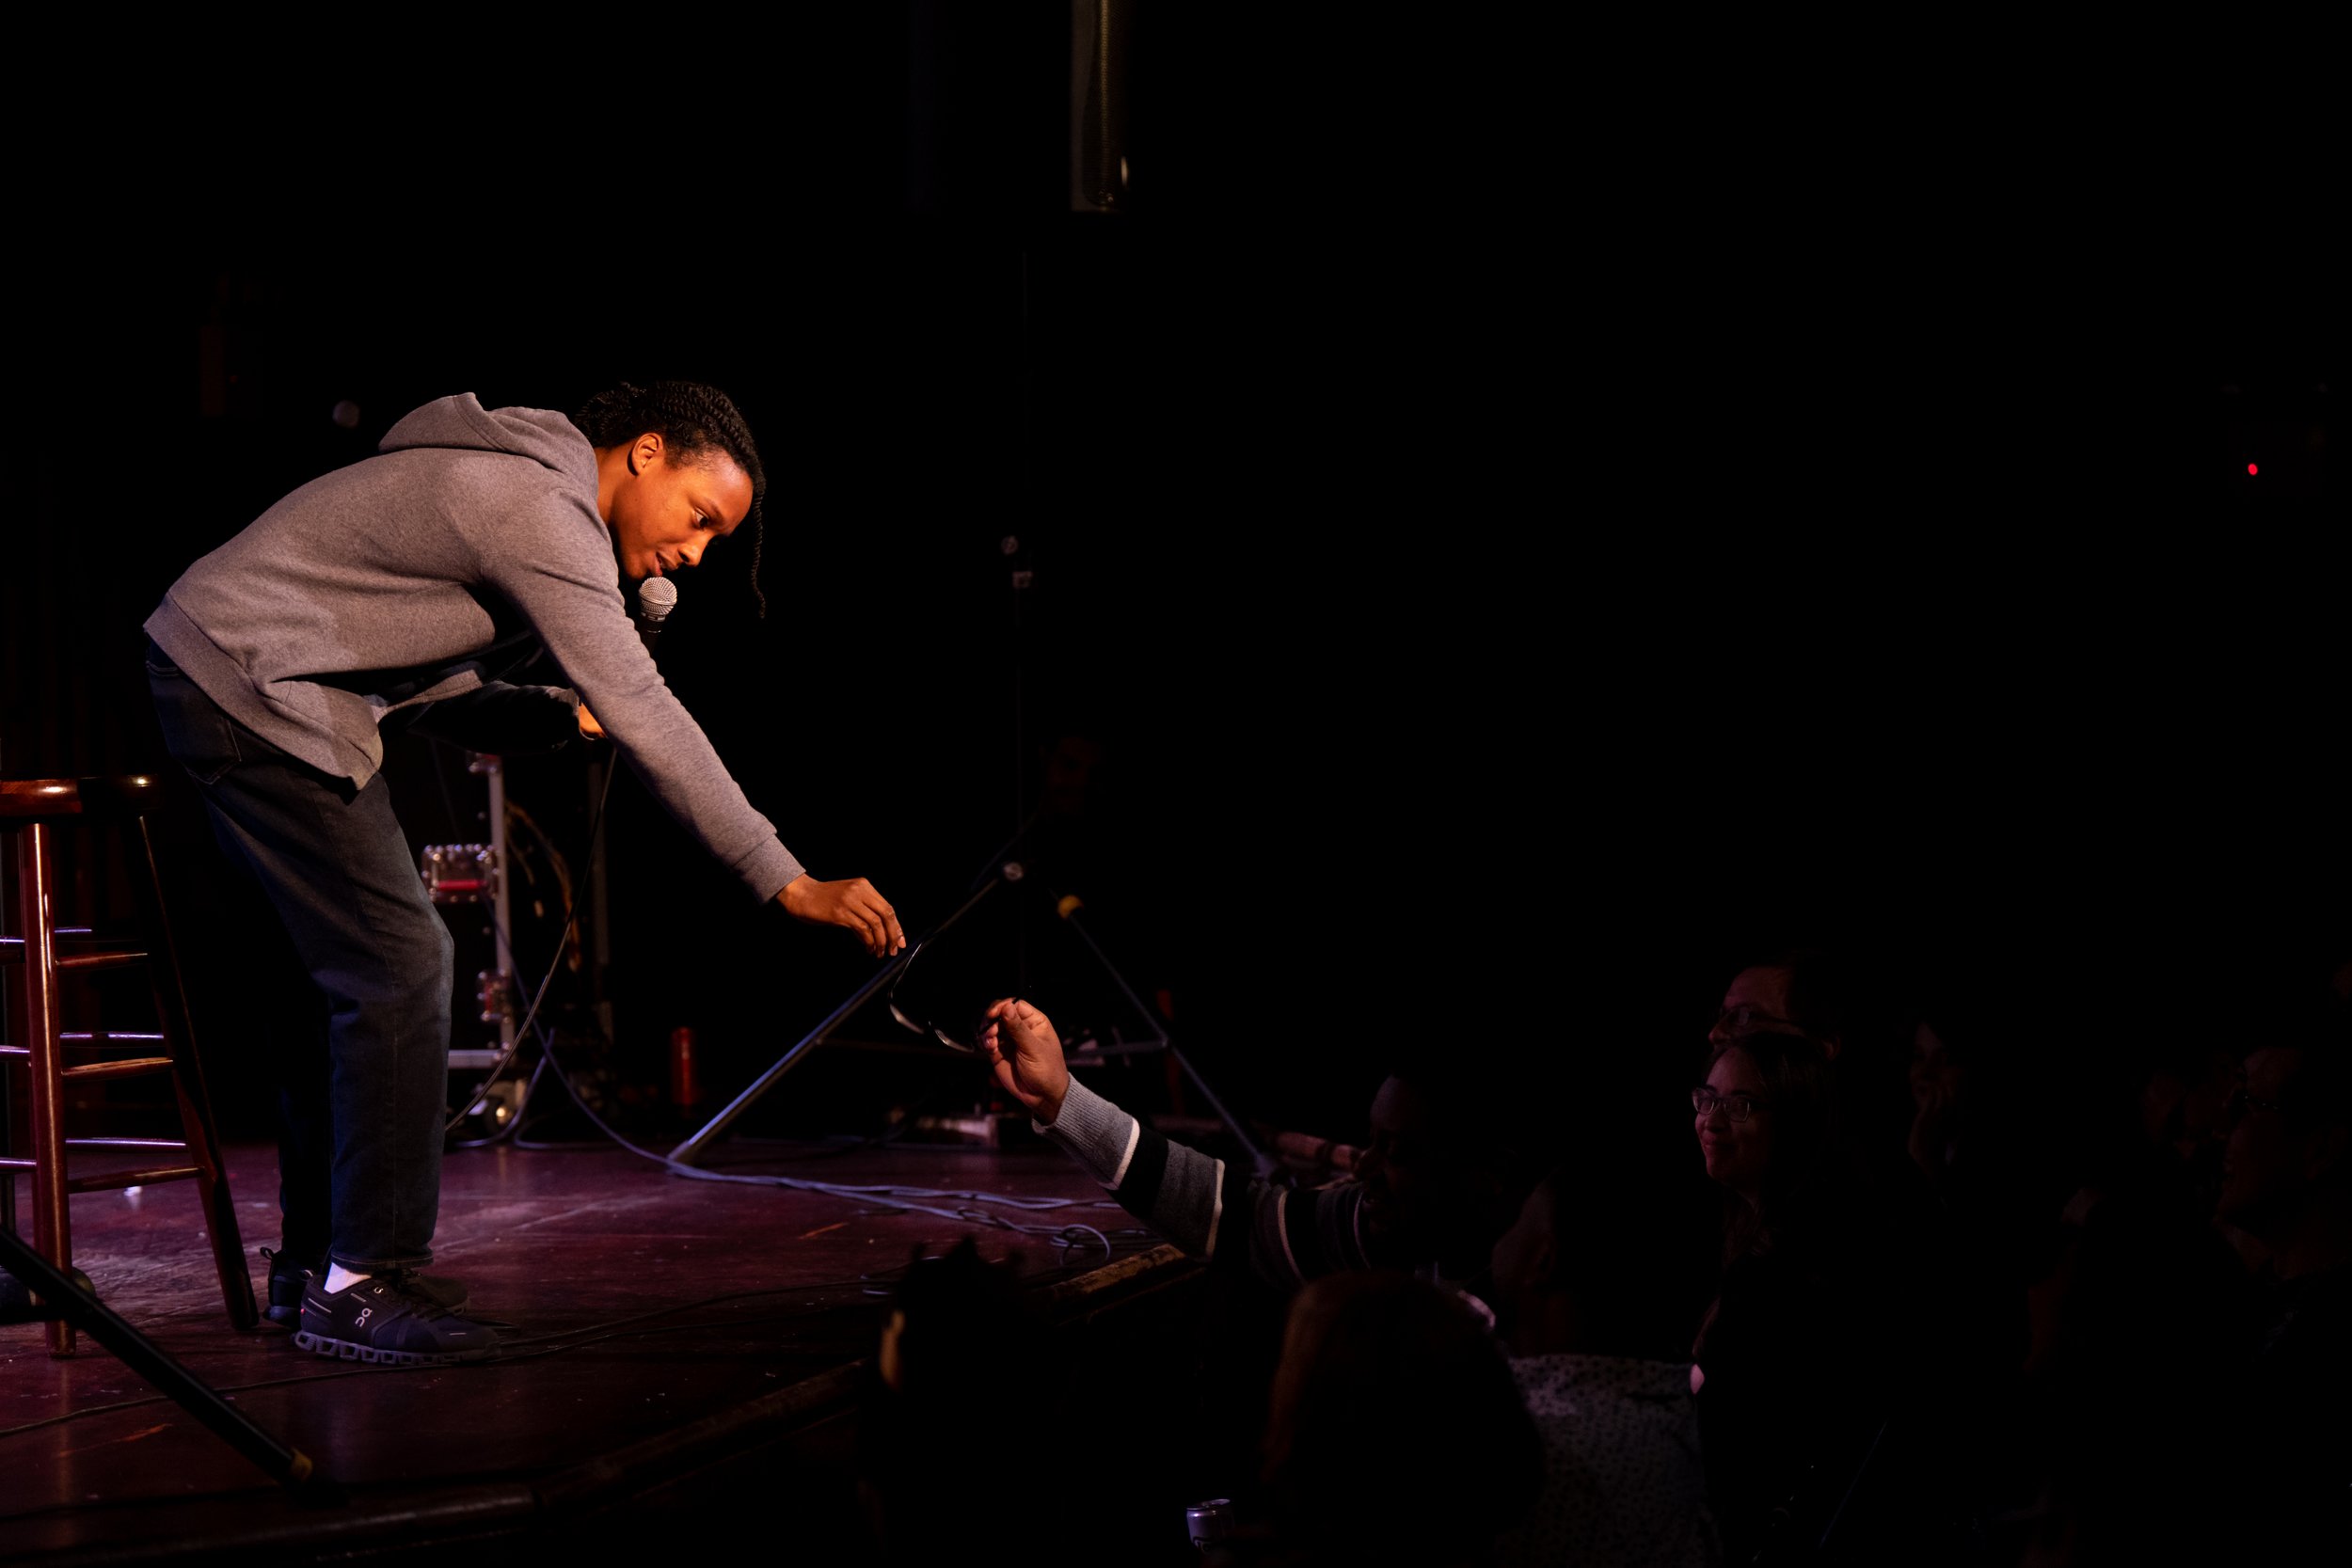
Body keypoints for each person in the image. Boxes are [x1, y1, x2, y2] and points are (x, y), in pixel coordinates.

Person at [144, 381, 904, 1365]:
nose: (695, 552)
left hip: (223, 663)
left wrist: (544, 711)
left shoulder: (515, 486)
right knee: (400, 962)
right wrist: (783, 875)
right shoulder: (539, 509)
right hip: (246, 679)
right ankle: (364, 1280)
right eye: (698, 516)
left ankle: (316, 1262)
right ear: (643, 453)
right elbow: (645, 704)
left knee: (330, 982)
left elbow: (417, 668)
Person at [1486, 1158, 1722, 1568]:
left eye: (1516, 1222)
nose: (1498, 1239)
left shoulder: (1544, 1458)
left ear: (1544, 1260)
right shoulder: (1655, 1403)